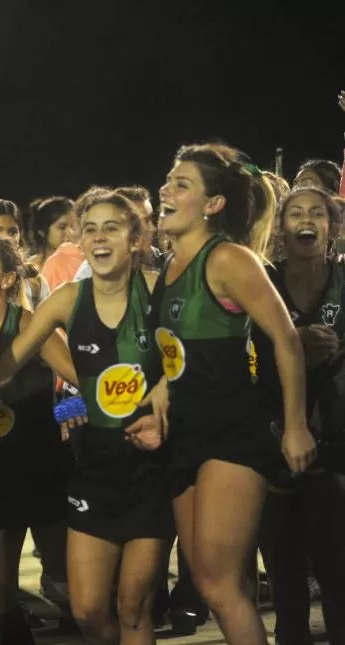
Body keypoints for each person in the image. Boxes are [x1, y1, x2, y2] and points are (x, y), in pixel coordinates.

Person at [144, 143, 317, 645]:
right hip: (186, 437)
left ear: (213, 204)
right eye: (167, 181)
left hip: (233, 437)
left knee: (219, 585)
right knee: (214, 580)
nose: (166, 190)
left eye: (181, 184)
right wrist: (159, 390)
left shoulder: (229, 259)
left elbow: (285, 339)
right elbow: (179, 355)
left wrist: (295, 424)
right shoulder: (171, 268)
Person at [0, 188, 173, 645]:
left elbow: (190, 361)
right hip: (91, 467)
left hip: (152, 469)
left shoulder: (158, 292)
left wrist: (164, 394)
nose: (99, 237)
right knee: (88, 610)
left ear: (135, 239)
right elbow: (23, 366)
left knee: (133, 607)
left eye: (112, 227)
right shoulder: (68, 298)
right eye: (90, 228)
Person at [0, 229, 77, 644]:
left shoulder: (27, 323)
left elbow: (82, 381)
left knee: (64, 577)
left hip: (40, 464)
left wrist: (68, 412)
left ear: (8, 279)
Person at [254, 185, 345, 645]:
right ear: (281, 229)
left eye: (317, 213)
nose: (305, 220)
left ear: (331, 227)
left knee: (337, 566)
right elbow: (242, 357)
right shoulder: (261, 281)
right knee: (284, 566)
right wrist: (289, 353)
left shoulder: (344, 281)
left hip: (337, 443)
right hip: (275, 442)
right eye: (295, 213)